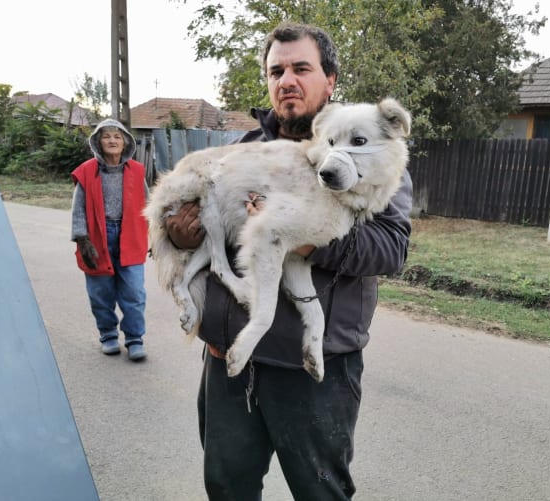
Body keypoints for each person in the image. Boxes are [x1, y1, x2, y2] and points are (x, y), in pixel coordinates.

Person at [166, 22, 413, 499]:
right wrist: (179, 235)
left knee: (320, 493)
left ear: (330, 81)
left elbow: (390, 249)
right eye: (276, 70)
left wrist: (308, 242)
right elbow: (190, 231)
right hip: (229, 362)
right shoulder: (240, 151)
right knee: (226, 487)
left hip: (313, 375)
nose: (287, 81)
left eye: (302, 68)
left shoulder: (367, 152)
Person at [71, 118, 149, 361]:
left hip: (131, 236)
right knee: (100, 294)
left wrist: (155, 236)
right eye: (106, 136)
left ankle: (135, 339)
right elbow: (78, 208)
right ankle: (108, 336)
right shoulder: (86, 171)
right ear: (97, 142)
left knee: (134, 293)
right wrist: (82, 239)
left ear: (125, 141)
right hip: (97, 238)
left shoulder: (136, 170)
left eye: (117, 136)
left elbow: (148, 205)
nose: (112, 141)